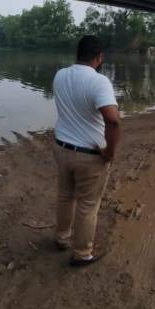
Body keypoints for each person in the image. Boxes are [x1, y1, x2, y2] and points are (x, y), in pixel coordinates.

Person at [51, 35, 121, 267]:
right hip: (89, 156)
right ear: (99, 57)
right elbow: (113, 121)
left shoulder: (60, 75)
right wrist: (110, 153)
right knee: (87, 205)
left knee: (65, 196)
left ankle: (62, 238)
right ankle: (81, 254)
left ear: (77, 54)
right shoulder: (99, 81)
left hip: (61, 148)